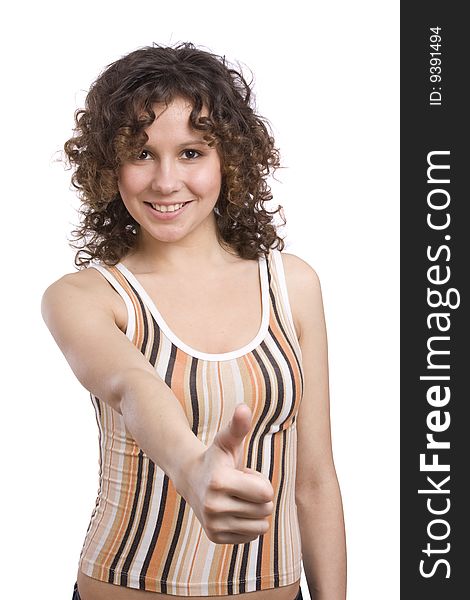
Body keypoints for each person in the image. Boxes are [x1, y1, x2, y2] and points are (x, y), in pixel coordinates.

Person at [41, 43, 346, 600]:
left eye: (190, 153)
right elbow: (131, 388)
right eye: (141, 154)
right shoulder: (86, 296)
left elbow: (316, 480)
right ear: (108, 166)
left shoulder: (291, 285)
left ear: (229, 157)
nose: (164, 181)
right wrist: (190, 468)